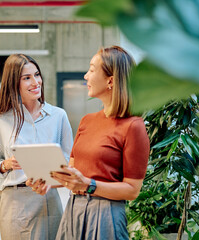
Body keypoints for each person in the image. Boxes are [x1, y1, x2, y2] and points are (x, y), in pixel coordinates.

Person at [51, 46, 150, 240]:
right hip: (74, 209)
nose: (86, 76)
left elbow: (132, 190)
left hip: (107, 215)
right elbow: (73, 173)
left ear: (110, 81)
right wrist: (47, 180)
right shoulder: (86, 121)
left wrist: (90, 185)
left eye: (92, 69)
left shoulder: (134, 126)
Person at [0, 54, 73, 240]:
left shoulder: (58, 116)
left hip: (48, 198)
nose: (36, 82)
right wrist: (6, 164)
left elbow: (69, 160)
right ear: (13, 83)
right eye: (27, 78)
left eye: (37, 75)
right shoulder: (1, 121)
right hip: (15, 201)